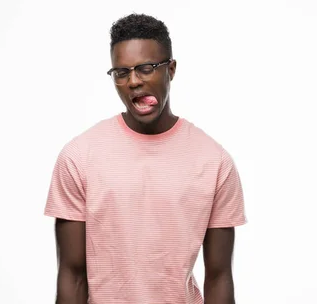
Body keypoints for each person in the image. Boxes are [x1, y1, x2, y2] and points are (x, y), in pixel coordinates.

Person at [44, 13, 247, 304]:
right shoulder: (79, 157)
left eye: (146, 68)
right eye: (121, 72)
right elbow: (71, 274)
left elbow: (219, 277)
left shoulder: (214, 162)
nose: (134, 82)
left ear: (171, 69)